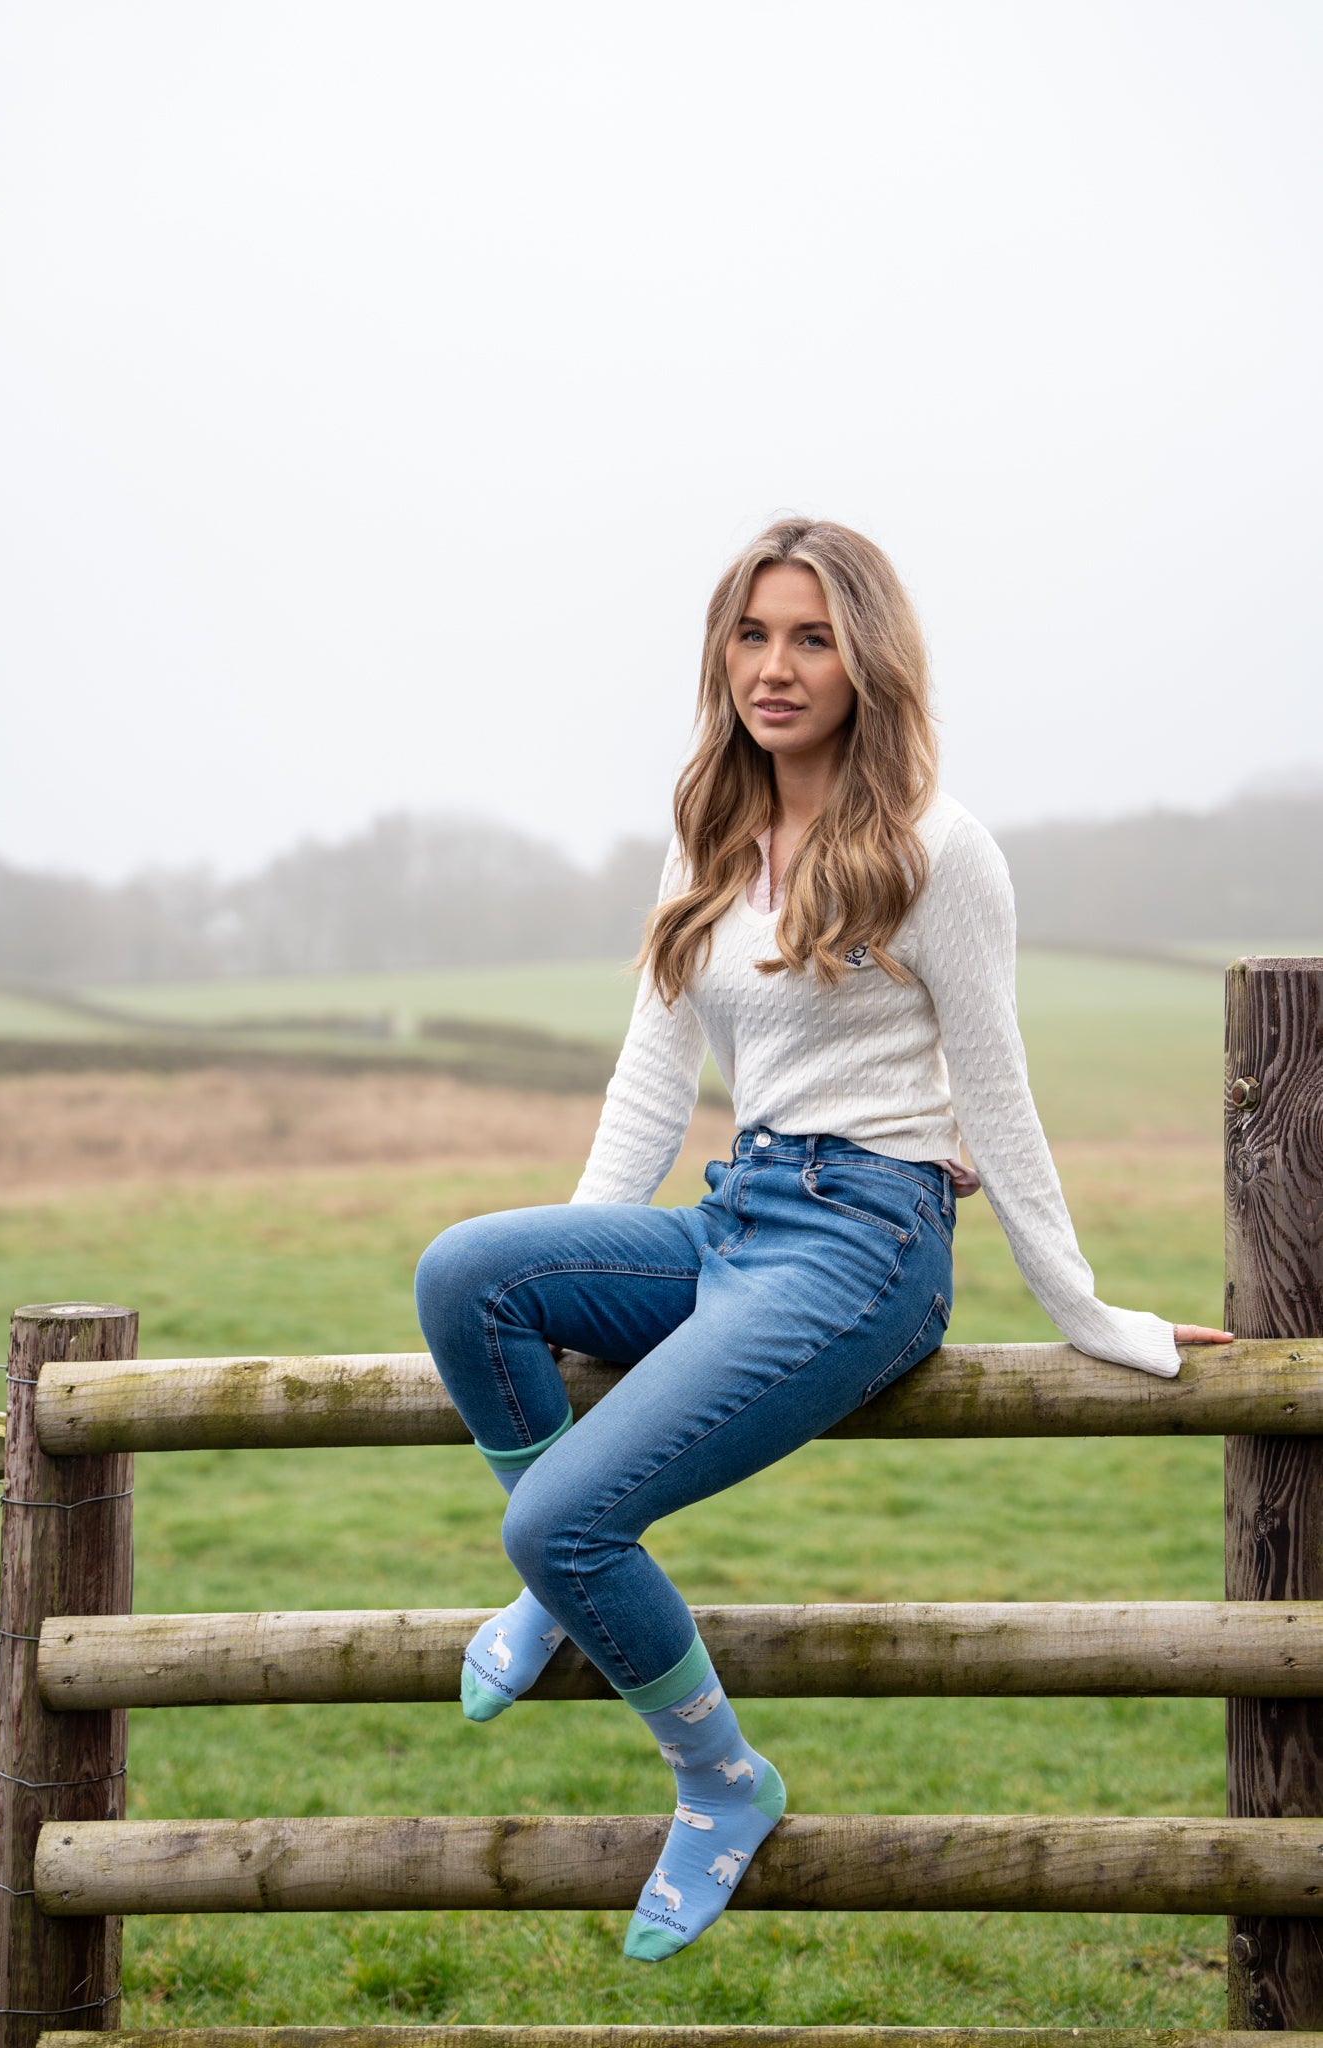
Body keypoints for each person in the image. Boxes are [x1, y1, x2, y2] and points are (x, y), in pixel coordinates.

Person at [414, 517, 1230, 1964]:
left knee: (557, 1517)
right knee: (469, 1272)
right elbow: (652, 1078)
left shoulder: (937, 845)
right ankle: (555, 1593)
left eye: (810, 638)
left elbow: (995, 1087)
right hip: (740, 1211)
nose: (774, 668)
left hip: (866, 1247)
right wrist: (582, 1261)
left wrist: (1088, 1310)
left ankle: (721, 1781)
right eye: (750, 633)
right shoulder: (712, 830)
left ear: (867, 658)